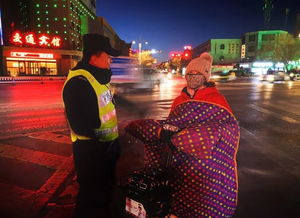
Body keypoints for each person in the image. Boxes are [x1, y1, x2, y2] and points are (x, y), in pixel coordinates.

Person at [125, 53, 240, 217]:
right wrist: (164, 132)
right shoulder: (179, 100)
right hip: (181, 165)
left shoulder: (217, 99)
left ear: (205, 76)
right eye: (190, 74)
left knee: (205, 205)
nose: (193, 77)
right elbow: (173, 123)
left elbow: (227, 128)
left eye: (198, 74)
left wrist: (189, 136)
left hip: (207, 168)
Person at [62, 33, 121, 218]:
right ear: (94, 56)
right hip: (91, 153)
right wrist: (103, 142)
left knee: (103, 196)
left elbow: (105, 107)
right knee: (91, 199)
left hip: (106, 149)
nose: (110, 60)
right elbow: (80, 125)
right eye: (108, 56)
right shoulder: (79, 82)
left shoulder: (98, 78)